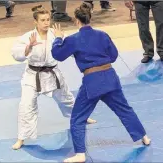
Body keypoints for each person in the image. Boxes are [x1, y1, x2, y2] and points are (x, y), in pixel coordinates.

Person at [51, 3, 151, 162]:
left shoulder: (73, 39)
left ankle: (80, 154)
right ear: (89, 18)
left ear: (77, 21)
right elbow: (113, 56)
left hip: (92, 82)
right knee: (124, 109)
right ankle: (144, 137)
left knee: (77, 118)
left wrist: (57, 38)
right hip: (110, 77)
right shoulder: (102, 35)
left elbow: (58, 55)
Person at [11, 5, 96, 150]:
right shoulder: (28, 37)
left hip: (52, 73)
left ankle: (82, 117)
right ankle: (21, 138)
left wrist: (61, 40)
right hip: (33, 75)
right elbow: (16, 54)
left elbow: (67, 51)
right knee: (26, 105)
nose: (46, 23)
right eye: (42, 20)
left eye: (48, 19)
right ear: (35, 22)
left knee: (67, 99)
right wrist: (28, 48)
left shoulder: (55, 34)